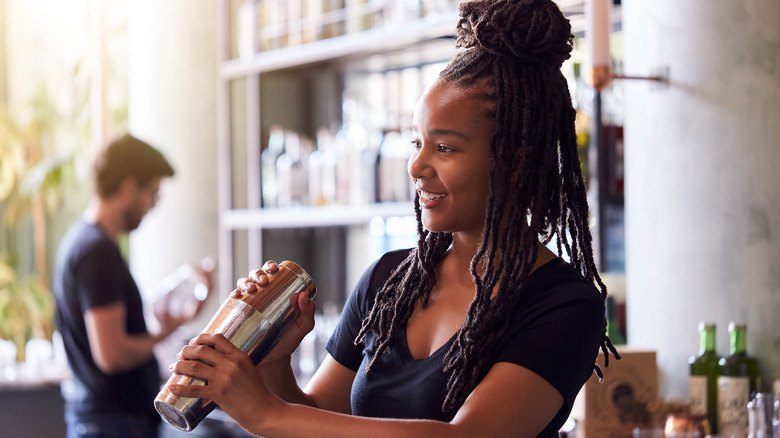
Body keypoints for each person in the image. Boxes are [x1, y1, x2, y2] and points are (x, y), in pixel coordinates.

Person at [168, 0, 620, 436]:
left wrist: (264, 413)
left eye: (444, 147)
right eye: (415, 143)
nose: (417, 167)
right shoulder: (390, 281)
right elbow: (318, 420)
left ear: (515, 160)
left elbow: (468, 437)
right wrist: (273, 362)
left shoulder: (564, 305)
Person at [53, 134, 209, 438]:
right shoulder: (96, 252)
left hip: (105, 420)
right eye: (153, 193)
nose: (152, 205)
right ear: (128, 187)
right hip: (114, 424)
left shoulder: (83, 242)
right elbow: (112, 354)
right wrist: (163, 333)